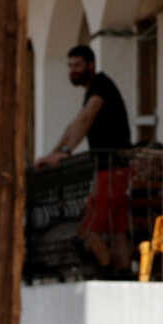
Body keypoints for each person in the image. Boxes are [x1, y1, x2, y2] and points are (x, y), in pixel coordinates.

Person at [37, 44, 134, 269]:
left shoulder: (101, 86)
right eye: (70, 66)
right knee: (118, 231)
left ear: (91, 65)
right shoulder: (94, 90)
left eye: (78, 65)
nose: (73, 70)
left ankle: (110, 276)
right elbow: (75, 124)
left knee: (88, 231)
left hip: (110, 169)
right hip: (116, 169)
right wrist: (53, 153)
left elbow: (85, 119)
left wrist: (65, 153)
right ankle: (124, 274)